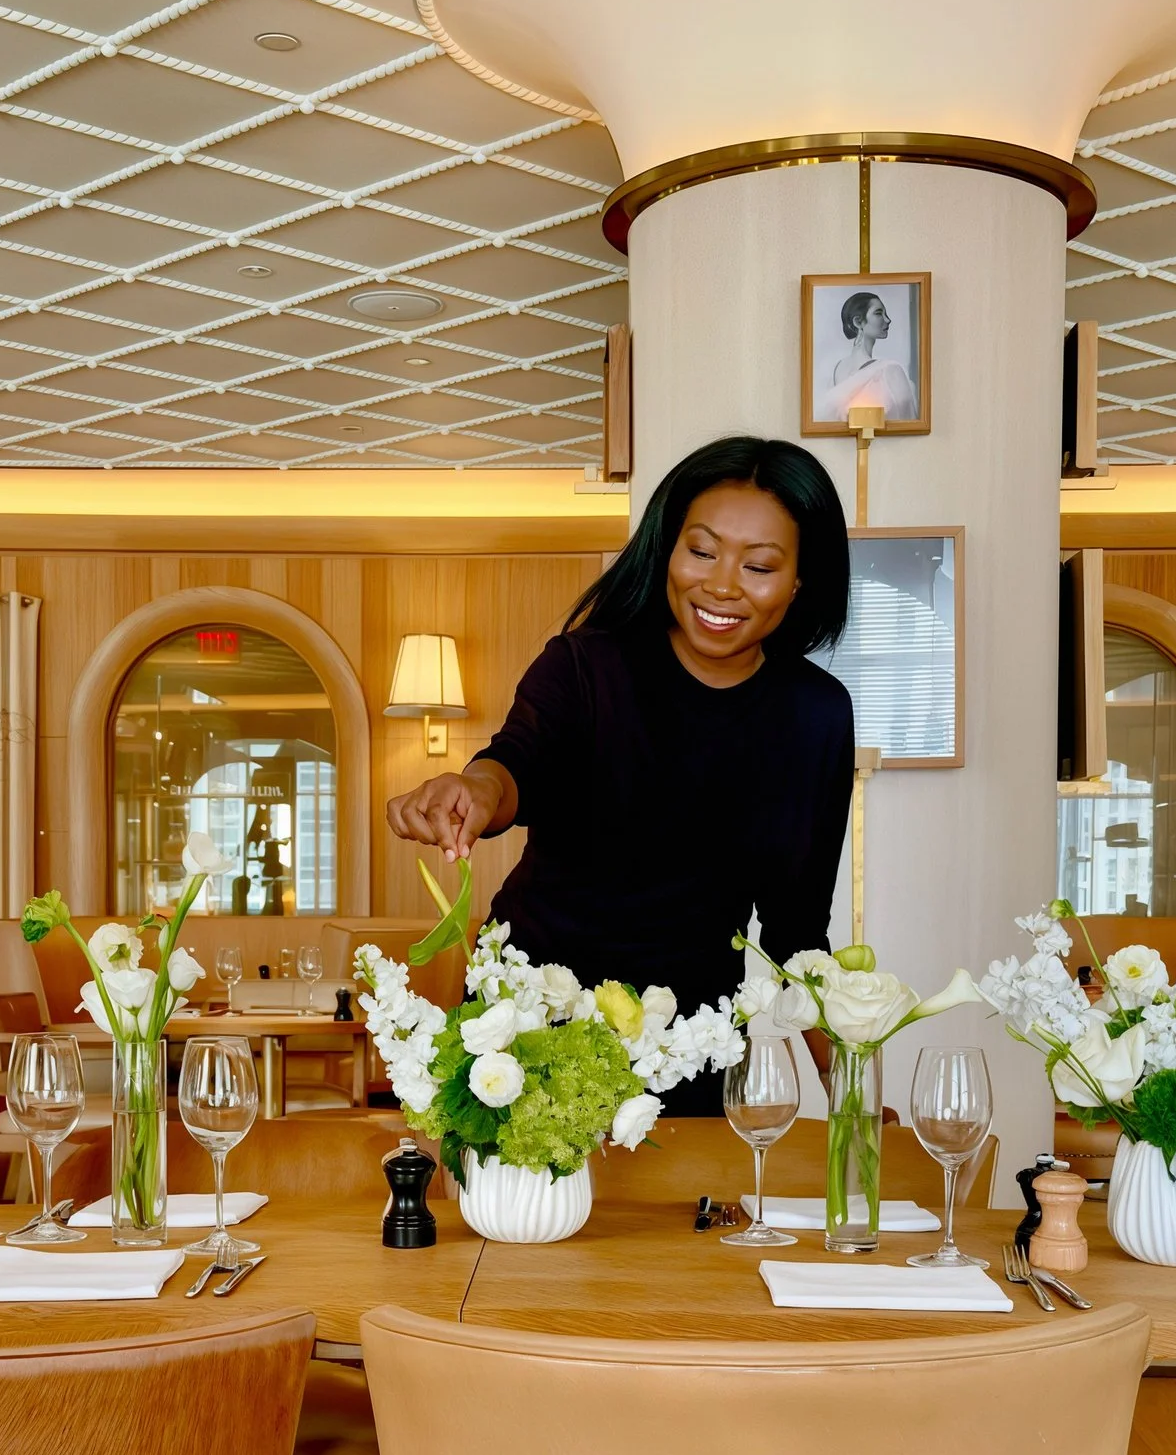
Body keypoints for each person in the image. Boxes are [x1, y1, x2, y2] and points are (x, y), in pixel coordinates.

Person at [387, 437, 854, 1112]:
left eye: (758, 565)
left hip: (690, 1040)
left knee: (678, 1216)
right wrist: (474, 789)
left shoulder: (816, 714)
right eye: (701, 551)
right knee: (518, 1216)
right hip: (530, 1019)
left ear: (801, 580)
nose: (721, 584)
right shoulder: (586, 665)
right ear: (667, 548)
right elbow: (514, 765)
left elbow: (798, 934)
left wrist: (853, 1094)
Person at [818, 287, 917, 424]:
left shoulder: (889, 369)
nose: (887, 320)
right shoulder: (890, 370)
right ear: (858, 322)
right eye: (878, 313)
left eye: (885, 314)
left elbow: (909, 424)